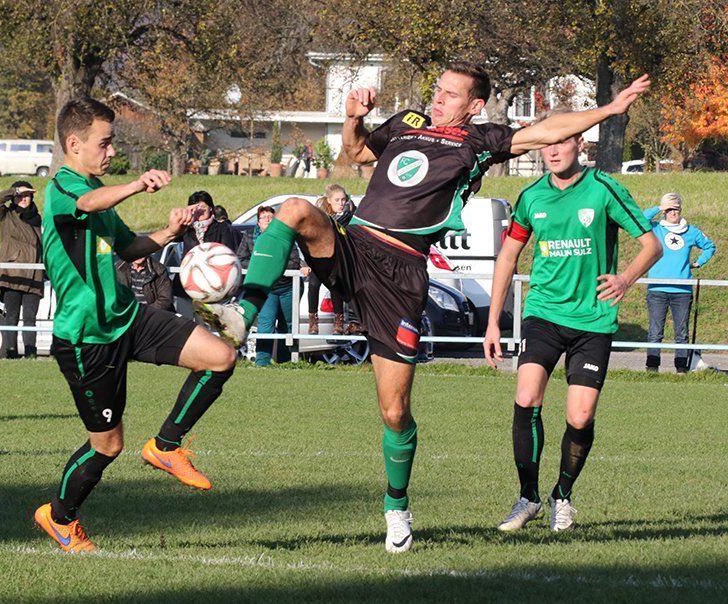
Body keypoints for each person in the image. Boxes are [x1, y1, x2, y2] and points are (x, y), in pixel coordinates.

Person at [200, 62, 651, 552]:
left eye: (450, 94)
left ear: (474, 106)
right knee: (293, 209)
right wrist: (352, 118)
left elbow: (546, 131)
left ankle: (397, 506)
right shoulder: (407, 123)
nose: (438, 98)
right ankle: (243, 315)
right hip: (356, 245)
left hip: (401, 275)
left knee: (395, 411)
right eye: (438, 89)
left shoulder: (479, 142)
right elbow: (355, 152)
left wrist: (609, 108)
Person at [34, 97, 236, 553]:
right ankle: (59, 517)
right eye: (104, 143)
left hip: (128, 317)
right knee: (107, 446)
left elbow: (128, 247)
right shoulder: (63, 188)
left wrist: (169, 232)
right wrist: (136, 184)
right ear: (74, 144)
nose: (111, 151)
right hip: (86, 340)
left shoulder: (98, 196)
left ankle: (166, 446)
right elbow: (86, 202)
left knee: (220, 357)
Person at [483, 114, 661, 533]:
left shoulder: (603, 189)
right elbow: (507, 257)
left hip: (593, 320)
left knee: (580, 417)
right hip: (544, 313)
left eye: (563, 141)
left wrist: (624, 279)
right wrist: (493, 322)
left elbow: (651, 245)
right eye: (548, 142)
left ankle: (561, 496)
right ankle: (527, 497)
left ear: (580, 144)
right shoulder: (531, 197)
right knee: (526, 396)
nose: (553, 150)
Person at [643, 193, 715, 373]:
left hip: (682, 291)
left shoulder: (691, 231)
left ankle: (681, 369)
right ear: (664, 211)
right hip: (657, 289)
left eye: (676, 209)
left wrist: (698, 263)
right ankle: (652, 368)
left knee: (681, 333)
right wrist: (660, 207)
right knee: (655, 332)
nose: (673, 212)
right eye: (670, 209)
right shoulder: (656, 228)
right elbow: (640, 219)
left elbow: (710, 246)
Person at [237, 206, 307, 366]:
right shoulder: (249, 236)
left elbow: (294, 261)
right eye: (264, 217)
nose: (268, 220)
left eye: (271, 217)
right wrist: (266, 264)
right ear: (258, 222)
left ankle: (286, 362)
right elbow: (241, 260)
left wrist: (265, 264)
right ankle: (262, 362)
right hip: (265, 289)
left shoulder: (285, 236)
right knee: (265, 324)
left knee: (287, 326)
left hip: (288, 287)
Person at [0, 180, 44, 358]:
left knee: (30, 318)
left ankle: (30, 354)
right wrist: (15, 190)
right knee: (11, 317)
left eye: (27, 195)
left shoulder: (38, 220)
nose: (23, 199)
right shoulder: (6, 216)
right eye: (20, 196)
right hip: (12, 275)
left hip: (34, 277)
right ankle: (11, 353)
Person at [307, 184, 356, 334]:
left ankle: (338, 321)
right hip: (320, 258)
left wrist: (350, 212)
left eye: (343, 200)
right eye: (337, 200)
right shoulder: (321, 216)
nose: (341, 203)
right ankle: (313, 321)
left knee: (335, 286)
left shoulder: (348, 216)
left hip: (338, 260)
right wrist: (305, 262)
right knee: (313, 285)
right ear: (329, 200)